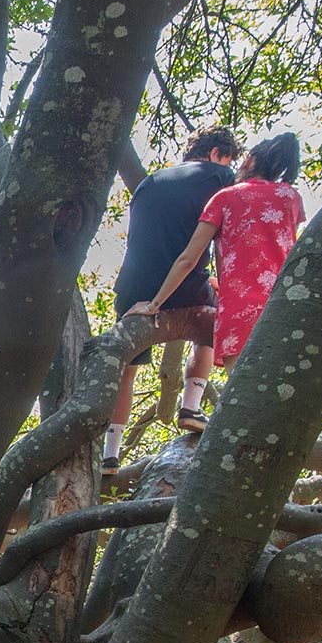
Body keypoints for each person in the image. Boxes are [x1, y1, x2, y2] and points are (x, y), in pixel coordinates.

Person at [104, 125, 240, 478]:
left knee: (127, 372)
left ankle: (109, 456)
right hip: (183, 288)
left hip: (133, 290)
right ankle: (190, 408)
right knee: (212, 324)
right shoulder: (221, 176)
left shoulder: (150, 181)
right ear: (216, 154)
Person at [128, 132, 306, 379]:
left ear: (251, 160)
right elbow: (275, 250)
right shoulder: (291, 198)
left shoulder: (224, 198)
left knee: (242, 389)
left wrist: (153, 305)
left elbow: (188, 259)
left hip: (240, 308)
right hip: (282, 303)